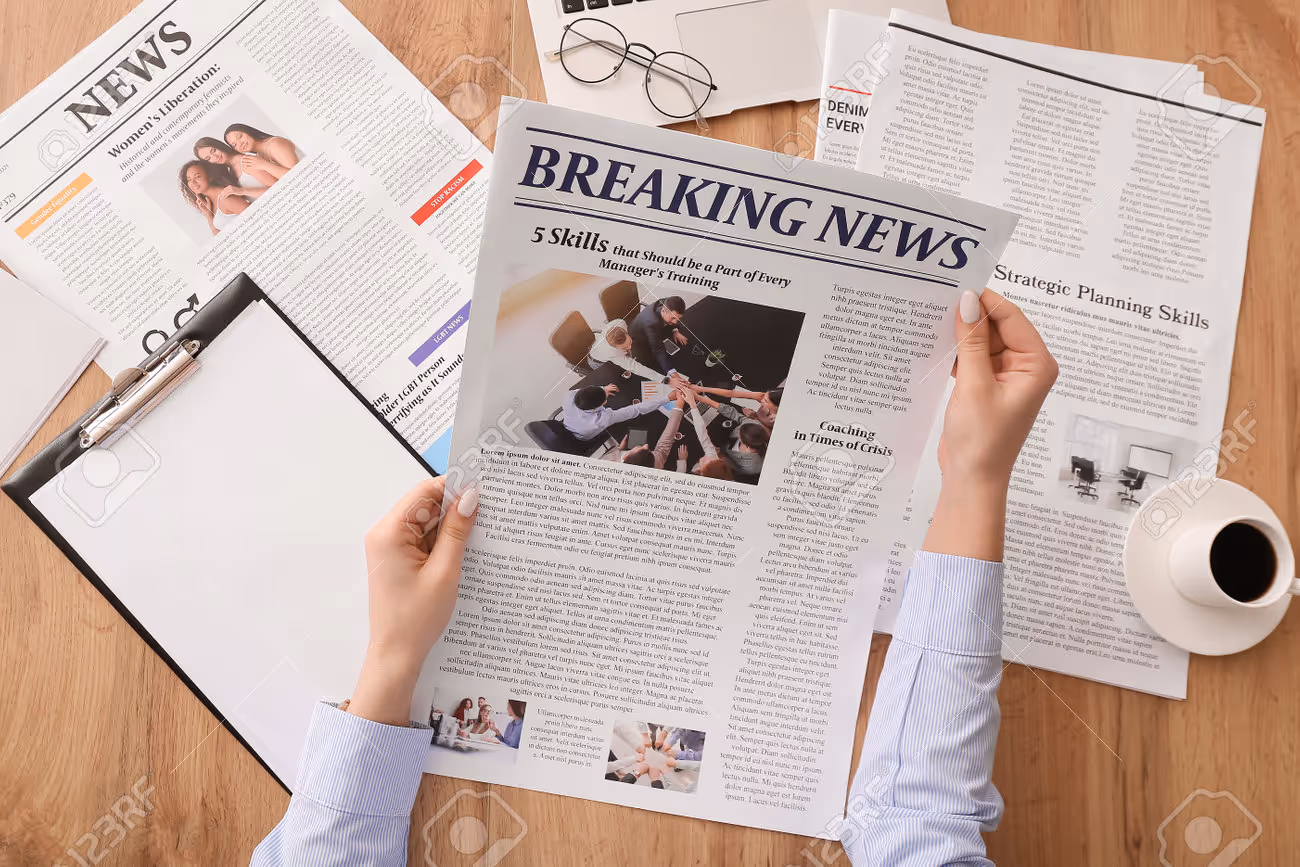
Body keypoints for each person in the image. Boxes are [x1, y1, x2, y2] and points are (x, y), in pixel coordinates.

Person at [250, 288, 1058, 866]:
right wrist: (976, 479)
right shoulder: (605, 406)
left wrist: (394, 655)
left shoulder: (642, 387)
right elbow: (916, 827)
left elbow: (915, 827)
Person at [560, 382, 672, 442]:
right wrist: (667, 398)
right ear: (599, 405)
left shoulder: (569, 396)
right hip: (583, 437)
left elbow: (584, 391)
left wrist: (603, 389)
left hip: (567, 424)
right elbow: (635, 410)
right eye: (604, 400)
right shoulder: (600, 420)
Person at [599, 393, 687, 469]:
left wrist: (619, 449)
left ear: (626, 456)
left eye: (641, 448)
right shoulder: (656, 463)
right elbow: (665, 444)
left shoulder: (603, 464)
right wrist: (679, 408)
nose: (646, 445)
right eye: (646, 450)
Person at [179, 160, 264, 236]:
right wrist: (208, 215)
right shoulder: (210, 203)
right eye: (189, 179)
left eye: (197, 176)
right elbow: (219, 237)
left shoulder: (226, 198)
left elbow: (259, 220)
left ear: (210, 177)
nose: (193, 182)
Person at [589, 319, 670, 382]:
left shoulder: (620, 322)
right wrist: (662, 379)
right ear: (615, 347)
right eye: (624, 348)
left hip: (599, 345)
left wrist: (626, 349)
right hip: (597, 361)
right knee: (615, 379)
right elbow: (635, 367)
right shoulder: (612, 353)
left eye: (630, 342)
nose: (630, 347)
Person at [194, 137, 288, 190]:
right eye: (208, 158)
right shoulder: (229, 172)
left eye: (213, 150)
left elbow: (276, 187)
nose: (215, 157)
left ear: (218, 145)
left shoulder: (247, 161)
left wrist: (242, 192)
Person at [679, 388, 733, 480]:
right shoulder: (713, 460)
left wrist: (682, 462)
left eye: (704, 463)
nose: (702, 459)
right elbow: (702, 434)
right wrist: (692, 403)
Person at [629, 296, 688, 374]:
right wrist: (672, 372)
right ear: (663, 310)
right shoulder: (651, 322)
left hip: (655, 329)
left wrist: (675, 330)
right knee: (653, 365)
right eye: (673, 318)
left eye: (678, 319)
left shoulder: (668, 303)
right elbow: (658, 349)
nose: (675, 322)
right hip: (638, 339)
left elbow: (673, 320)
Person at [691, 385, 781, 430]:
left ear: (777, 407)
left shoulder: (777, 422)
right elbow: (731, 393)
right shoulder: (764, 396)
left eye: (766, 401)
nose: (762, 401)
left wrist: (755, 417)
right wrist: (701, 388)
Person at [224, 123, 301, 170]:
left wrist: (264, 165)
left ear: (247, 131)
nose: (240, 144)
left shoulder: (274, 144)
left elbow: (297, 174)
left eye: (240, 136)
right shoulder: (259, 157)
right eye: (234, 145)